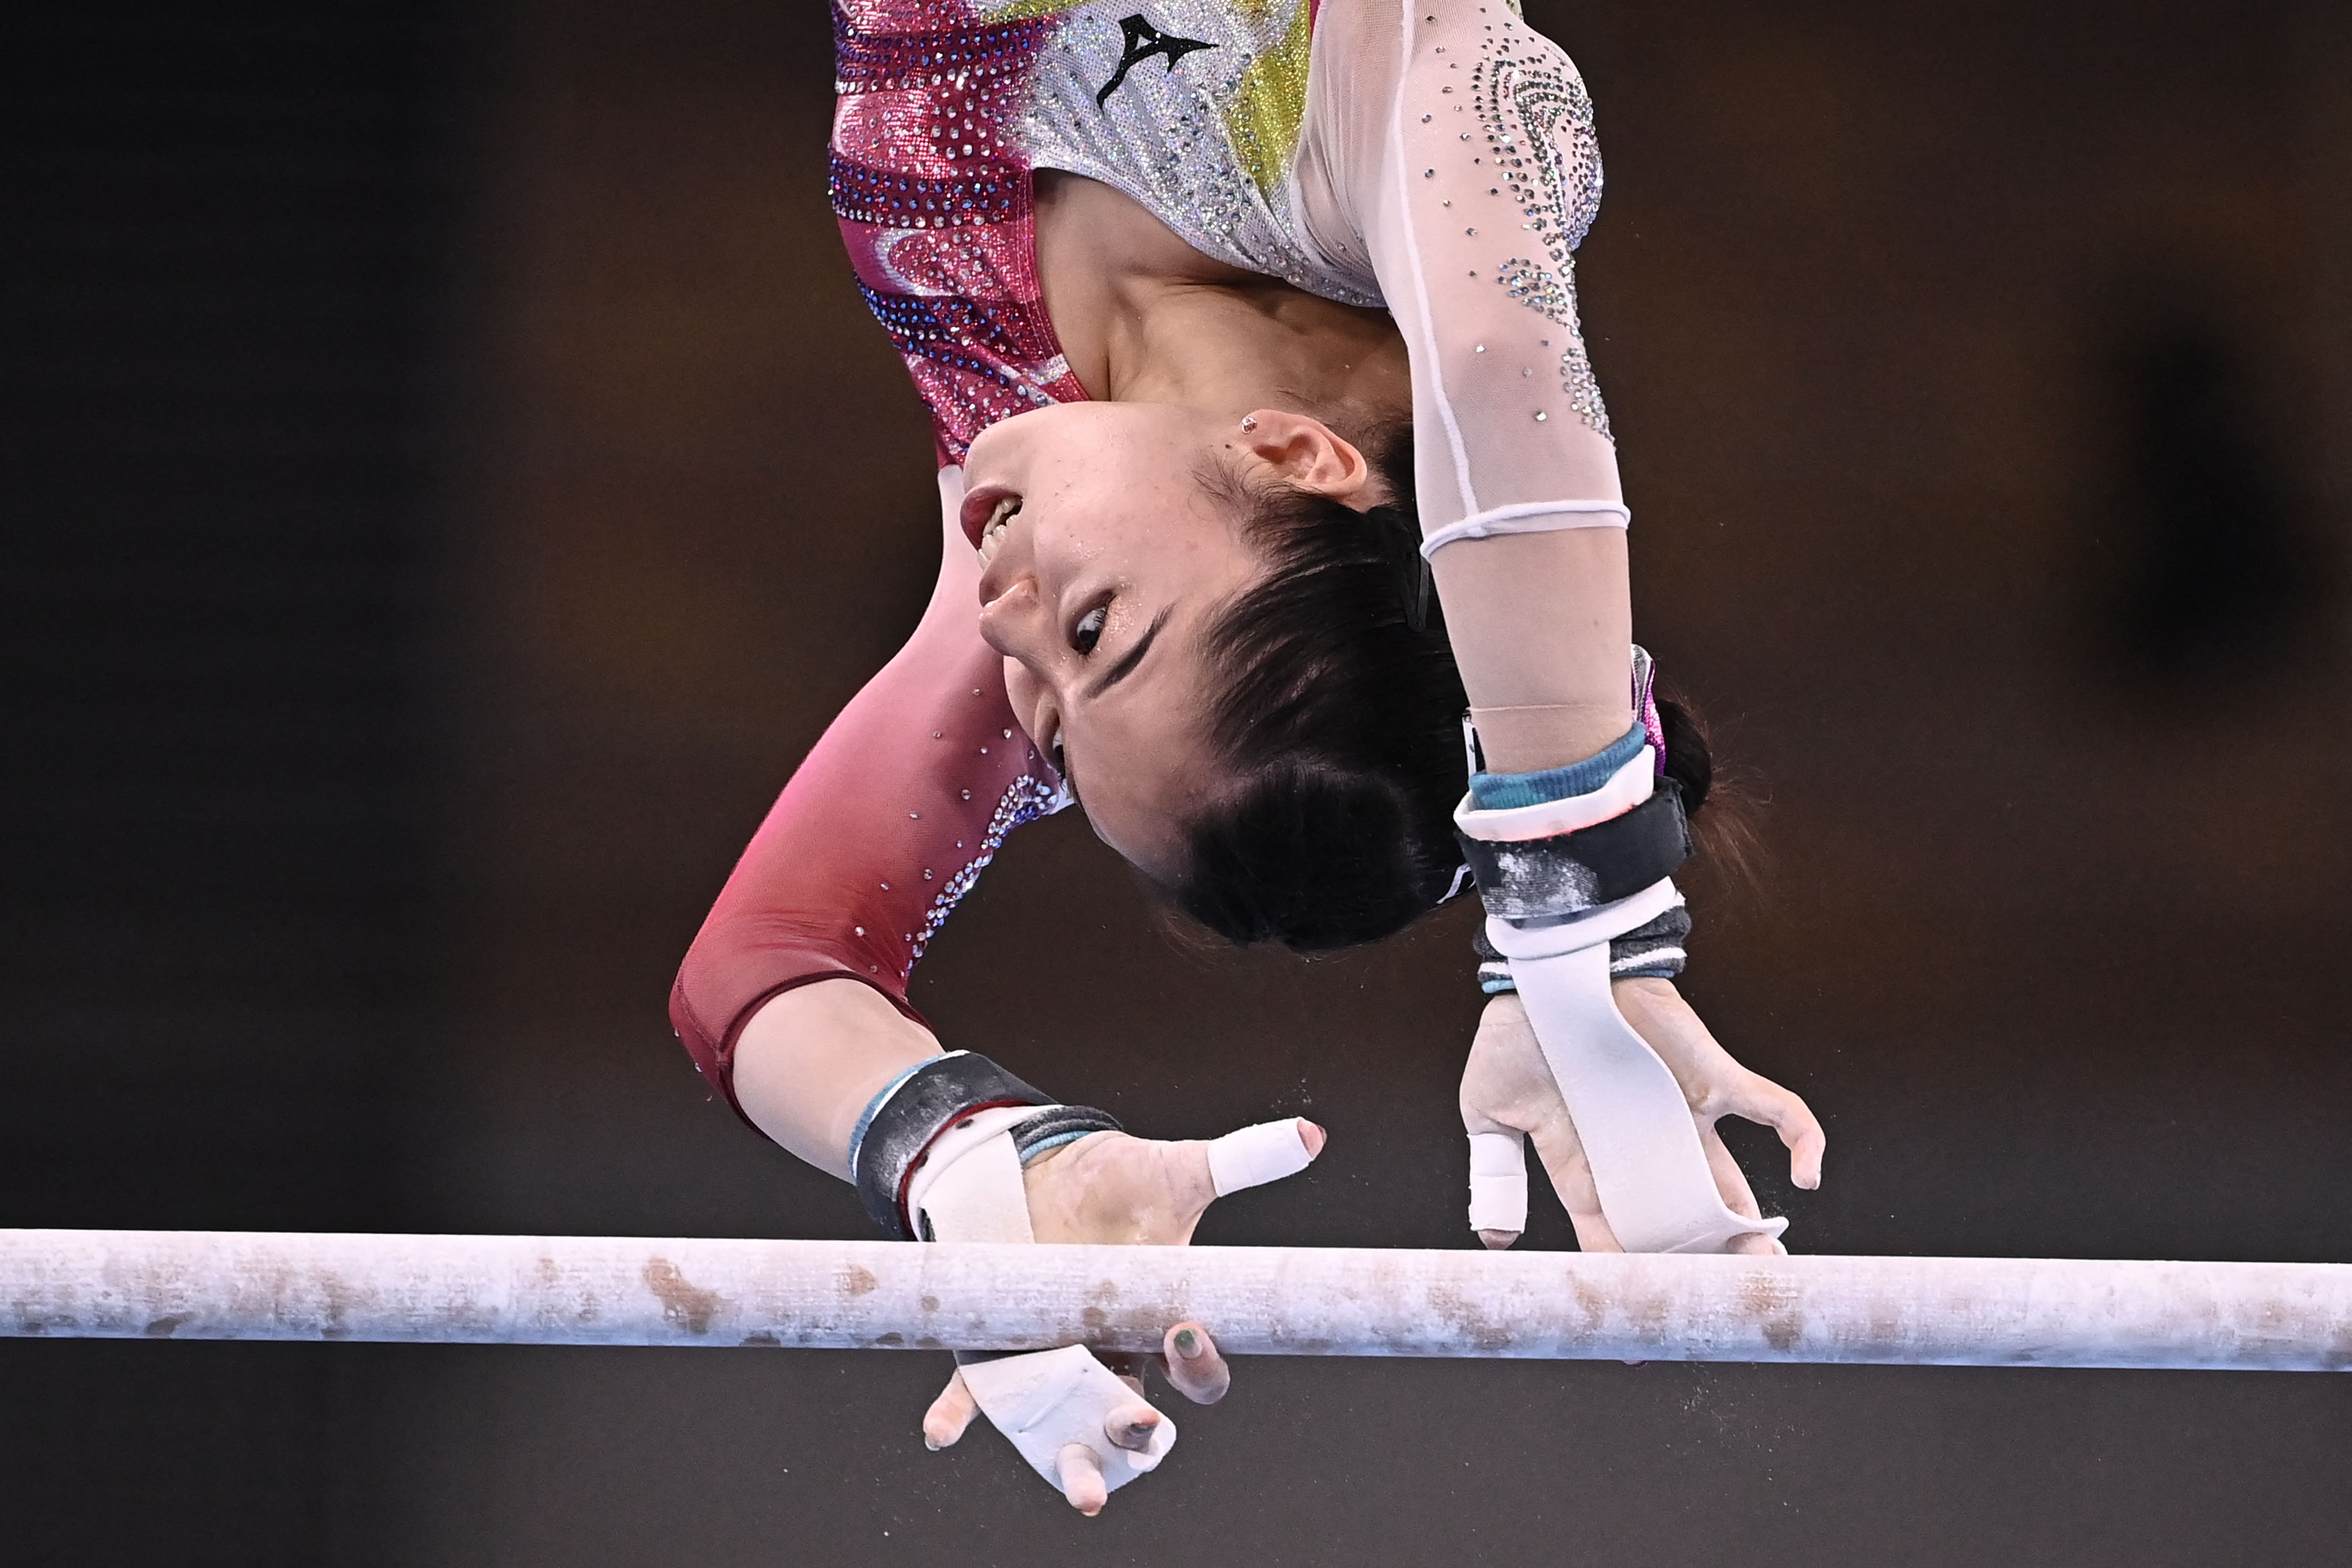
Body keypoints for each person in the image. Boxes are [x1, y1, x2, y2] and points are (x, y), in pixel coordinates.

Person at [671, 0, 1825, 1513]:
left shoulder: (1032, 461)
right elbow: (1490, 353)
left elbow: (765, 962)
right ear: (1297, 458)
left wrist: (978, 1157)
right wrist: (1574, 912)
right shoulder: (1405, 126)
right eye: (1096, 635)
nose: (1002, 620)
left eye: (1046, 721)